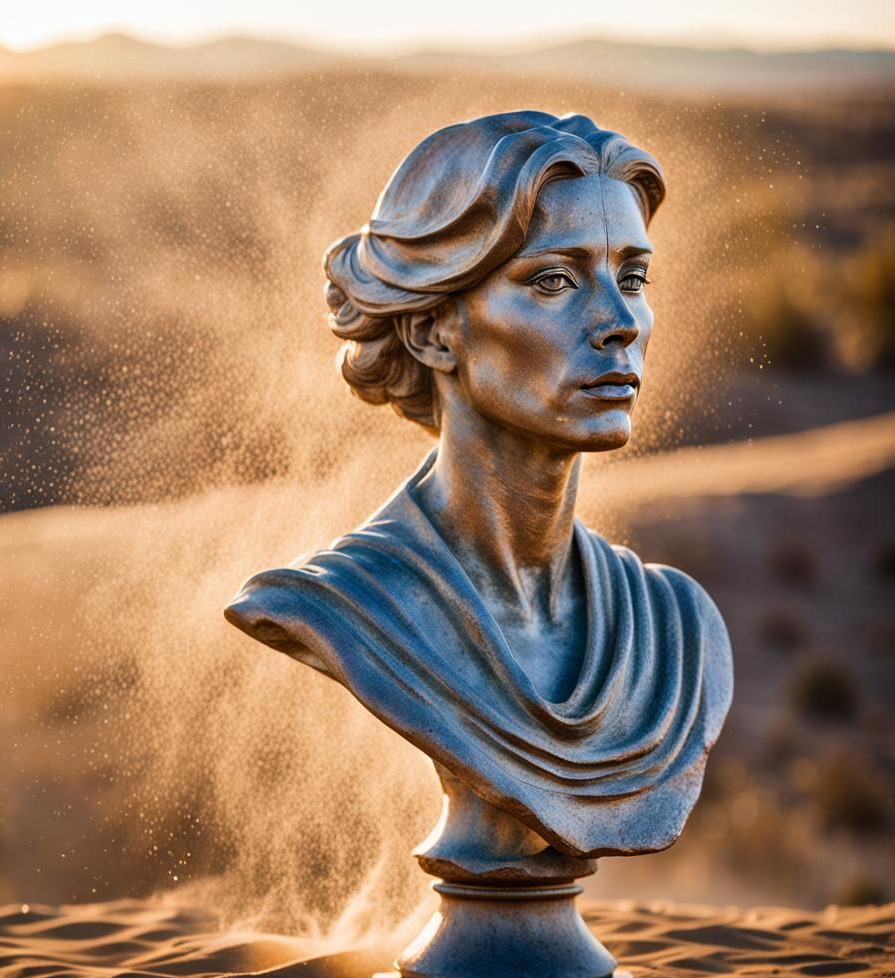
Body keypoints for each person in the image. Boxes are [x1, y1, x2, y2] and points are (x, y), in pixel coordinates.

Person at [225, 111, 732, 859]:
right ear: (434, 330)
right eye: (554, 280)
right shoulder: (347, 606)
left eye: (632, 277)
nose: (620, 320)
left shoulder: (676, 626)